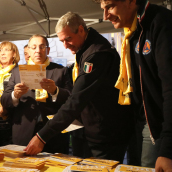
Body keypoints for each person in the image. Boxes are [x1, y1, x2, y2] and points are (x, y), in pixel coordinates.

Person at [24, 12, 134, 162]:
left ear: (81, 30)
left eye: (68, 39)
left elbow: (76, 99)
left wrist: (42, 136)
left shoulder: (96, 54)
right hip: (91, 131)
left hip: (106, 135)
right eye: (62, 40)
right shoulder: (85, 50)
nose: (65, 45)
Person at [97, 0, 172, 171]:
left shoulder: (162, 23)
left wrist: (169, 150)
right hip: (138, 125)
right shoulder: (132, 31)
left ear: (131, 1)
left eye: (110, 7)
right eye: (103, 9)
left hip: (158, 129)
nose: (105, 16)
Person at [1, 35, 72, 154]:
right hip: (24, 132)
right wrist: (15, 95)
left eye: (42, 47)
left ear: (48, 50)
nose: (38, 50)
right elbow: (4, 100)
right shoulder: (17, 71)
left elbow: (71, 98)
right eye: (33, 47)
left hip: (53, 134)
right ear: (28, 50)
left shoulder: (61, 71)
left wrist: (55, 91)